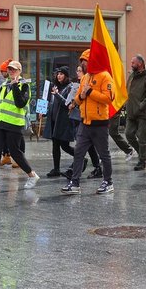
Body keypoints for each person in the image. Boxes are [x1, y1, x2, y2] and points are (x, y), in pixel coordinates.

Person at [0, 60, 39, 192]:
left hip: (15, 125)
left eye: (14, 70)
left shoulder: (24, 85)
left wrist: (15, 86)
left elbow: (20, 103)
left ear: (19, 71)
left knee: (16, 154)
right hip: (0, 124)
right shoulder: (4, 85)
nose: (11, 72)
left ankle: (32, 175)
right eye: (10, 69)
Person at [61, 49, 115, 195]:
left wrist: (90, 92)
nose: (82, 64)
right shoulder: (85, 78)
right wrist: (75, 102)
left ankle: (108, 182)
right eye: (81, 61)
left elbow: (109, 98)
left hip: (100, 124)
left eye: (84, 61)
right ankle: (75, 182)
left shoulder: (105, 76)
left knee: (104, 154)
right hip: (85, 122)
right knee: (78, 153)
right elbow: (79, 97)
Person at [65, 64, 102, 178]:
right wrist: (72, 103)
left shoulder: (87, 83)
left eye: (80, 71)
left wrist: (75, 101)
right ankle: (97, 168)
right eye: (77, 70)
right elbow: (77, 99)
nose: (77, 73)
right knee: (88, 146)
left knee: (82, 147)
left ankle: (74, 171)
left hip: (88, 119)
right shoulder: (78, 85)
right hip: (80, 118)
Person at [124, 55, 146, 170]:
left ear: (140, 64)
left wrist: (141, 106)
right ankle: (143, 154)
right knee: (128, 134)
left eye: (133, 63)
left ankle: (142, 162)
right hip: (131, 111)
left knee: (142, 138)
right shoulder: (132, 75)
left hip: (143, 113)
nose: (131, 64)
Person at [44, 67, 76, 177]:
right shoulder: (55, 86)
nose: (59, 76)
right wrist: (42, 111)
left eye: (62, 74)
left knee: (64, 146)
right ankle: (56, 169)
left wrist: (57, 94)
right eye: (58, 74)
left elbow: (67, 104)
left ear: (66, 76)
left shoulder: (70, 87)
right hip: (54, 120)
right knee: (55, 145)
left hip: (64, 121)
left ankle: (80, 157)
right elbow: (49, 101)